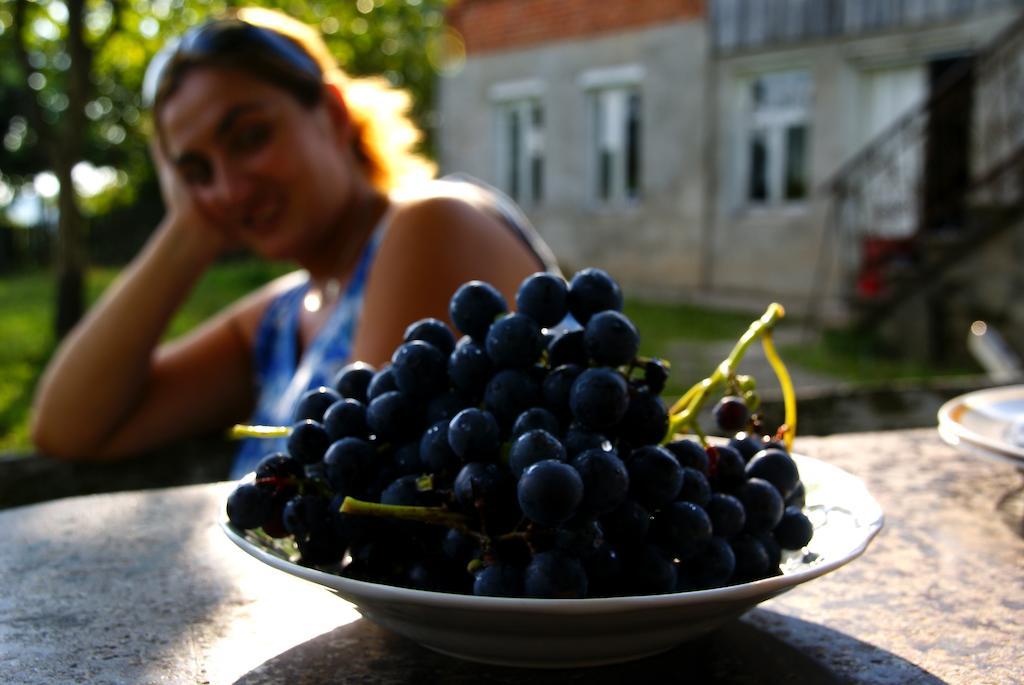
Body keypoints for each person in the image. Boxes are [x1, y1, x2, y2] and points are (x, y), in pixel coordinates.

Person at [31, 8, 559, 477]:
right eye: (197, 170)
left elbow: (362, 486)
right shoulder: (281, 318)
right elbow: (69, 426)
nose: (230, 189)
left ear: (331, 114)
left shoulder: (434, 222)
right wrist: (188, 231)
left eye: (250, 137)